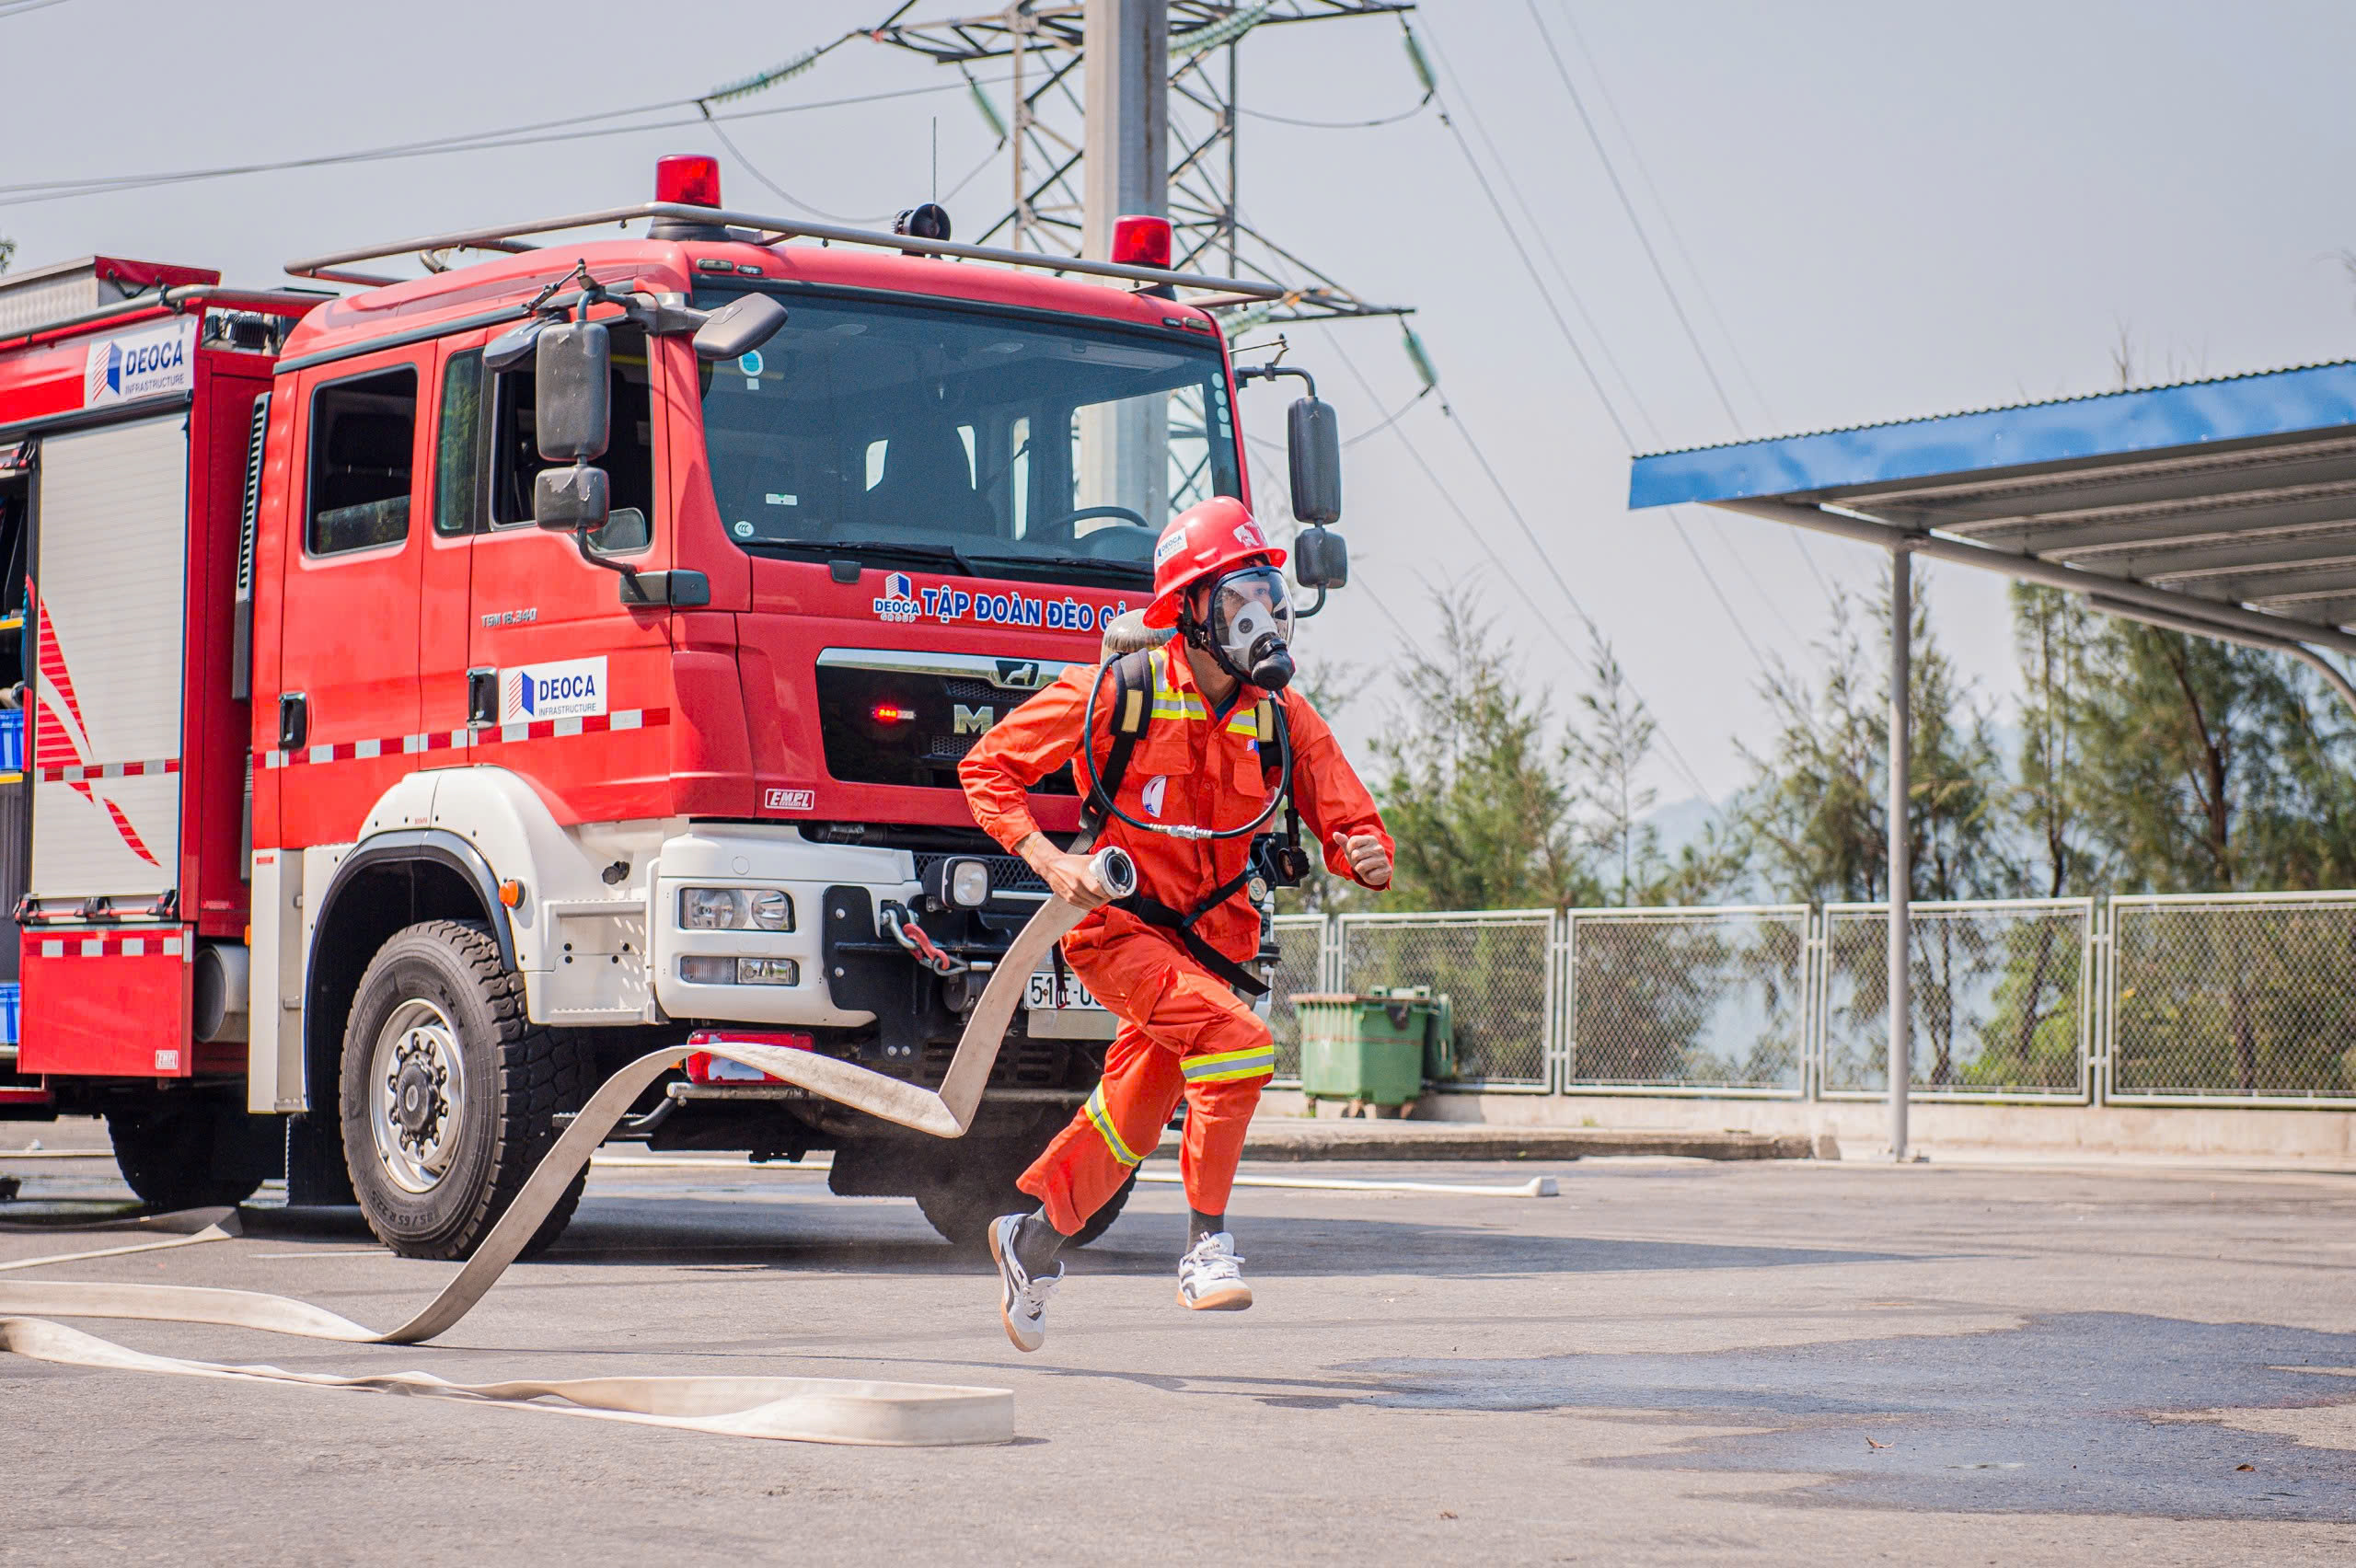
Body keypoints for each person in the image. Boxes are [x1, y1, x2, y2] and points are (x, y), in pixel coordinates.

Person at [957, 496, 1394, 1351]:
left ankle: (1030, 1244)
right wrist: (1050, 861)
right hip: (1119, 933)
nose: (1260, 614)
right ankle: (1205, 1247)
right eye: (1237, 598)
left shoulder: (1281, 717)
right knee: (1240, 1044)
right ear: (1190, 611)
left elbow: (1348, 819)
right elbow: (989, 768)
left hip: (1215, 951)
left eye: (1267, 593)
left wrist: (1362, 852)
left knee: (1131, 1116)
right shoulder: (1121, 690)